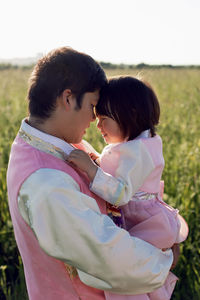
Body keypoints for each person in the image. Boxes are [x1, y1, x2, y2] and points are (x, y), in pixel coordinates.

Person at [7, 47, 175, 300]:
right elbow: (106, 256)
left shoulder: (61, 143)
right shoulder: (45, 182)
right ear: (67, 98)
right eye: (93, 106)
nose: (95, 121)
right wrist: (165, 260)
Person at [68, 76, 189, 300]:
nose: (98, 125)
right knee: (132, 272)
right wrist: (99, 164)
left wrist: (92, 170)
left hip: (144, 221)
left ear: (130, 114)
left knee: (127, 272)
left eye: (104, 118)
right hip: (134, 218)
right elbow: (119, 172)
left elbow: (122, 193)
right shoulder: (131, 144)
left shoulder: (140, 151)